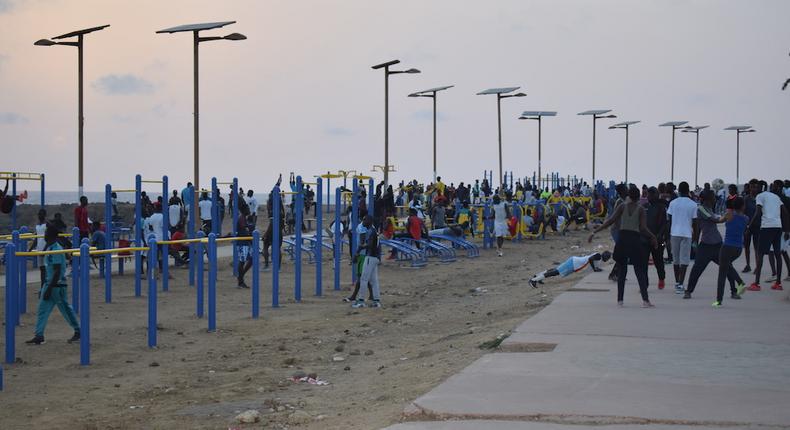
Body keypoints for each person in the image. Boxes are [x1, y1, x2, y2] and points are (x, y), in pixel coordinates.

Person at [589, 186, 658, 307]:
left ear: (629, 196)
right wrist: (653, 237)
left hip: (623, 239)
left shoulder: (622, 206)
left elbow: (610, 221)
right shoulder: (641, 209)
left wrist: (595, 232)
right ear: (638, 197)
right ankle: (645, 301)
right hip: (635, 240)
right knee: (639, 271)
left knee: (622, 271)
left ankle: (620, 301)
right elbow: (642, 228)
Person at [683, 190, 744, 299]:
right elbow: (714, 219)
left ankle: (734, 291)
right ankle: (688, 291)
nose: (715, 200)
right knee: (697, 269)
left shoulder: (709, 208)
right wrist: (726, 217)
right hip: (706, 246)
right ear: (707, 200)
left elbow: (712, 220)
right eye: (713, 198)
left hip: (717, 244)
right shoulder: (701, 209)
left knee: (728, 267)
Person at [26, 225, 80, 345]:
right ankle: (39, 335)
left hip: (56, 285)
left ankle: (78, 331)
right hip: (50, 284)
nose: (44, 235)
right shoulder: (50, 247)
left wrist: (49, 288)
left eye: (46, 232)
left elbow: (57, 270)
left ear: (52, 235)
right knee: (43, 309)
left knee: (65, 310)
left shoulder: (56, 248)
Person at [748, 180, 788, 291]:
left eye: (755, 187)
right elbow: (784, 212)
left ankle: (756, 284)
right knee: (777, 254)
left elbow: (758, 213)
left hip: (767, 227)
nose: (753, 190)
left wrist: (749, 226)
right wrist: (786, 229)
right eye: (752, 187)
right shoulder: (775, 197)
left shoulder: (760, 196)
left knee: (760, 254)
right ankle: (778, 284)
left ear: (760, 188)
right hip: (777, 227)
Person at [713, 197, 749, 307]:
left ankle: (719, 300)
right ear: (743, 206)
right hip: (738, 248)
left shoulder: (729, 214)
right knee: (728, 266)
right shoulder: (746, 218)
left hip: (727, 247)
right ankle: (739, 283)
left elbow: (719, 220)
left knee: (722, 273)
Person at [667, 181, 697, 294]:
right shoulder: (693, 204)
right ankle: (680, 284)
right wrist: (696, 239)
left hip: (674, 233)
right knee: (684, 260)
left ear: (678, 190)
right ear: (688, 190)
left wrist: (668, 236)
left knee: (676, 260)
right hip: (687, 234)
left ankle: (676, 282)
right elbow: (695, 223)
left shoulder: (673, 203)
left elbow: (669, 220)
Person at [529, 251, 612, 288]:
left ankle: (538, 276)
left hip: (574, 263)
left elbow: (592, 262)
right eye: (607, 258)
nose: (607, 260)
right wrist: (595, 269)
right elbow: (590, 259)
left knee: (556, 270)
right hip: (573, 263)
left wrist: (597, 269)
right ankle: (533, 280)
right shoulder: (598, 256)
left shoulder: (599, 258)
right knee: (556, 272)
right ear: (605, 256)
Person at [352, 215, 382, 308]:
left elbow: (369, 245)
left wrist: (361, 247)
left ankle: (361, 301)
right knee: (374, 280)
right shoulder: (374, 231)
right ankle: (376, 301)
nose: (363, 221)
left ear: (369, 221)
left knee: (364, 279)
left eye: (364, 220)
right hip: (376, 257)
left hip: (370, 257)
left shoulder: (370, 231)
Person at [643, 187, 668, 289]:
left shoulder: (662, 207)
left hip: (658, 239)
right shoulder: (644, 207)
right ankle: (645, 284)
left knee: (658, 261)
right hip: (644, 239)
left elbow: (664, 224)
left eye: (649, 195)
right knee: (643, 262)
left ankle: (661, 278)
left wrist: (659, 235)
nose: (647, 197)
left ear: (655, 195)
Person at [235, 204, 253, 288]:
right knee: (242, 262)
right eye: (247, 208)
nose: (249, 210)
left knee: (251, 259)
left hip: (246, 243)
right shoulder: (241, 218)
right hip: (242, 243)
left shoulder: (244, 218)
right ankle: (240, 281)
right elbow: (244, 231)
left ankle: (241, 277)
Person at [29, 208, 48, 286]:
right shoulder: (37, 225)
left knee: (47, 268)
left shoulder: (47, 224)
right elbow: (36, 238)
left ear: (45, 215)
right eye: (39, 214)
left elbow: (49, 238)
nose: (40, 215)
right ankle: (43, 285)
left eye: (41, 214)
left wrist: (45, 249)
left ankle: (47, 285)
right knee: (42, 268)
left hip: (47, 249)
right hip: (39, 249)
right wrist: (30, 249)